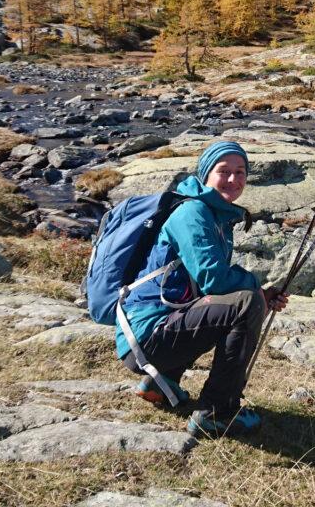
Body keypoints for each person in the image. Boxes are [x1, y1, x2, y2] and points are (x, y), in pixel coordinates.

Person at [115, 140, 288, 437]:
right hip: (146, 338)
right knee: (246, 304)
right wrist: (256, 291)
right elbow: (215, 280)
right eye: (224, 171)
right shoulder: (193, 213)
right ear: (206, 174)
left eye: (241, 172)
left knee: (241, 302)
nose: (233, 179)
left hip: (153, 332)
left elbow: (204, 290)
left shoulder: (216, 215)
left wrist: (259, 294)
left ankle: (161, 382)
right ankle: (217, 412)